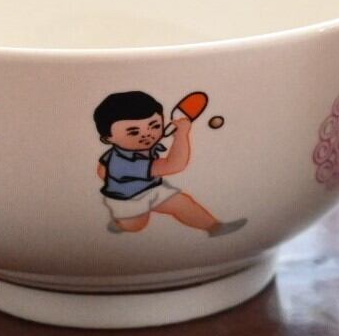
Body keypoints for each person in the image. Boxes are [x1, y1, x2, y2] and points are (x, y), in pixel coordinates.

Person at [93, 90, 246, 236]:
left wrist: (112, 178)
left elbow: (101, 170)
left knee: (181, 203)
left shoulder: (129, 150)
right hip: (127, 200)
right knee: (136, 226)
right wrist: (181, 135)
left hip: (152, 188)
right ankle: (120, 224)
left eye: (155, 126)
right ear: (108, 139)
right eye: (133, 132)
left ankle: (215, 227)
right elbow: (174, 165)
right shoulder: (122, 163)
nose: (148, 135)